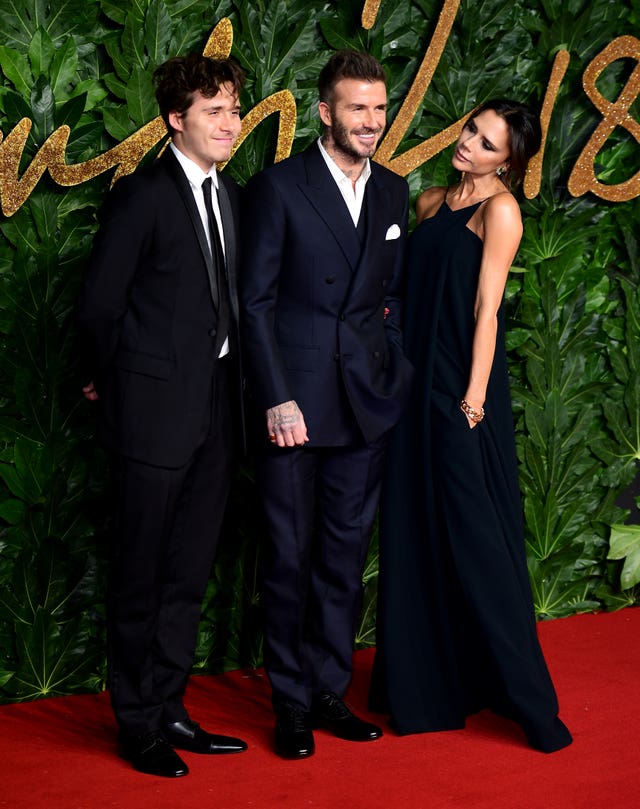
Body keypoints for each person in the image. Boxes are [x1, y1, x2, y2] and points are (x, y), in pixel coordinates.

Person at [370, 99, 572, 753]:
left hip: (462, 390)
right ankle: (429, 685)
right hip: (412, 384)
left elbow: (488, 310)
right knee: (414, 527)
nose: (469, 144)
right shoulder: (429, 202)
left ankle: (532, 706)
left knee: (477, 538)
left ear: (508, 162)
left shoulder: (501, 211)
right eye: (471, 130)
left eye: (488, 143)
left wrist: (474, 400)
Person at [77, 53, 248, 777]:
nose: (229, 123)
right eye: (213, 111)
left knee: (187, 569)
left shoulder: (229, 193)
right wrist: (106, 382)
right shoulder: (142, 194)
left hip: (217, 408)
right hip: (151, 414)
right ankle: (137, 722)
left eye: (233, 109)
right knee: (141, 573)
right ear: (176, 119)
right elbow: (99, 304)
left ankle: (170, 704)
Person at [241, 50, 413, 759]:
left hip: (366, 404)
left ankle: (326, 690)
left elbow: (391, 295)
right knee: (288, 557)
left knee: (344, 558)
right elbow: (254, 303)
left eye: (379, 108)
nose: (371, 121)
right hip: (296, 408)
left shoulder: (395, 189)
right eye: (356, 108)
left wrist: (391, 365)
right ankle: (289, 702)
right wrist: (276, 397)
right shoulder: (278, 186)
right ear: (325, 112)